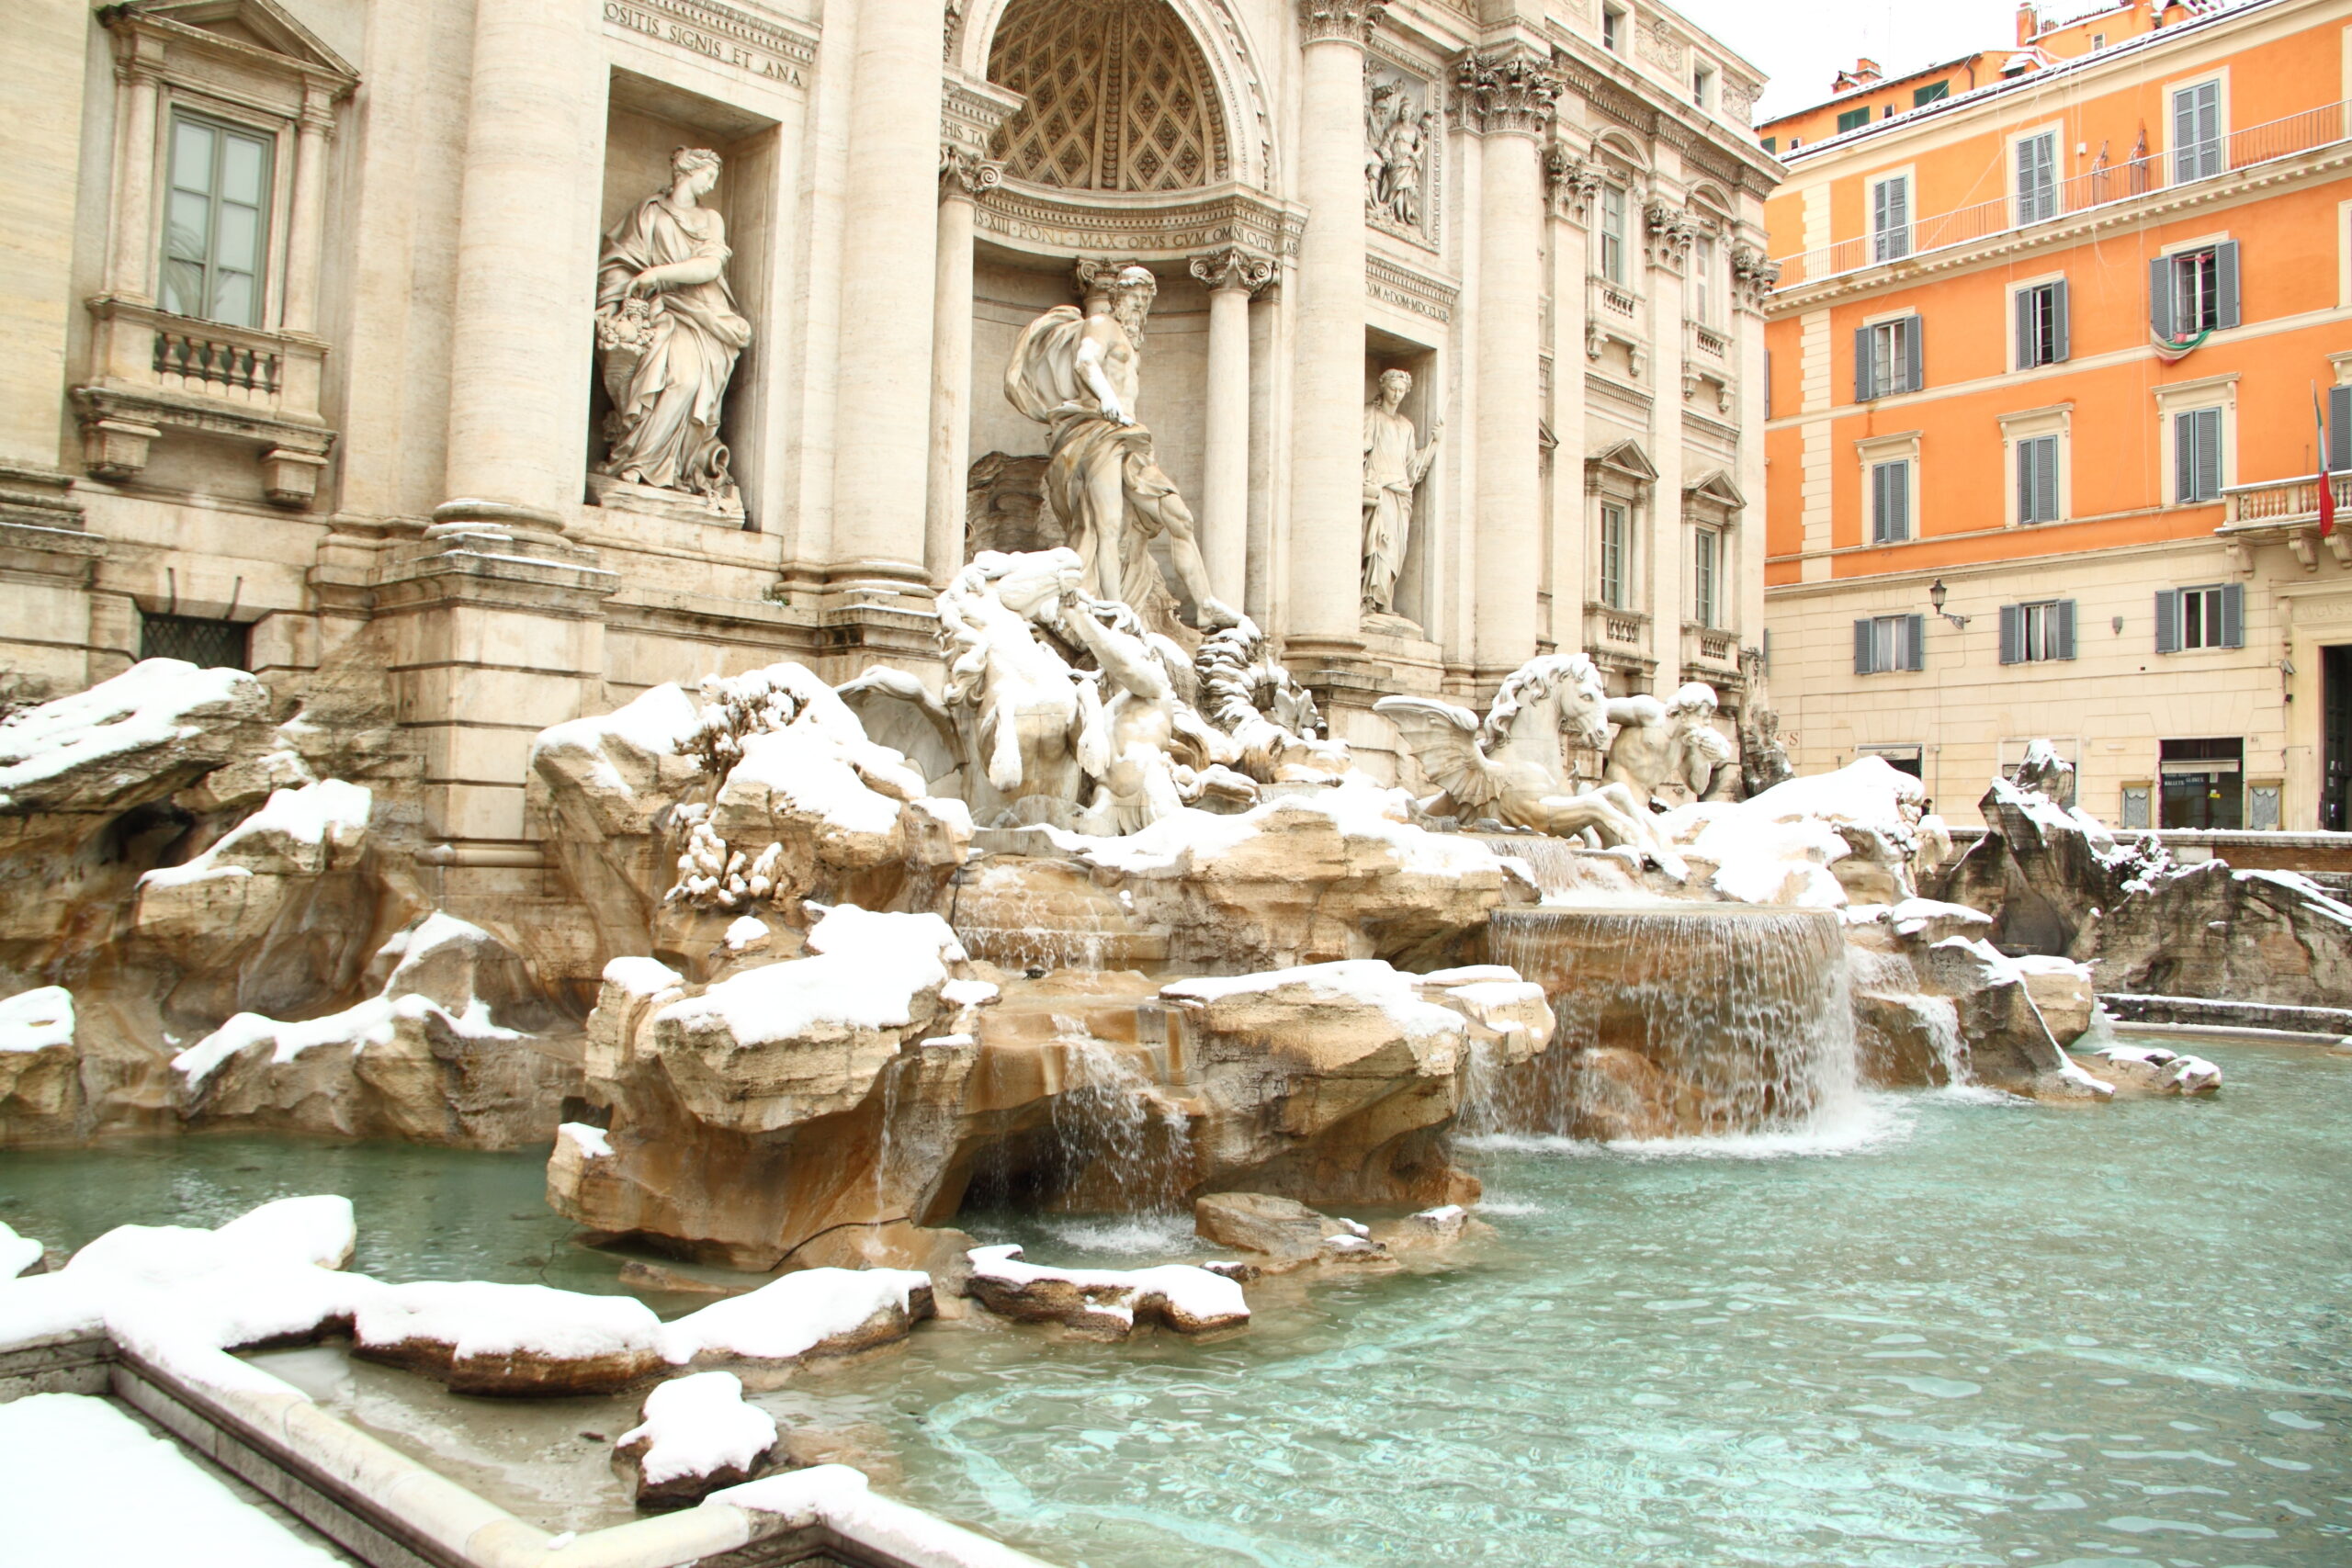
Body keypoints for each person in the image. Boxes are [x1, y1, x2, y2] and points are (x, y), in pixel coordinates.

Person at [1004, 266, 1238, 629]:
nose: (1139, 307)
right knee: (1106, 527)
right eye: (1133, 298)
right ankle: (1113, 609)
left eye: (1145, 301)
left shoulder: (1130, 341)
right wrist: (1107, 397)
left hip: (1130, 437)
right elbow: (1085, 360)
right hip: (1098, 431)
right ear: (1117, 298)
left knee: (1180, 517)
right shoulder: (1102, 323)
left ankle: (1205, 603)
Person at [593, 148, 752, 504]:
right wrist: (621, 295)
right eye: (707, 175)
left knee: (688, 381)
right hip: (659, 311)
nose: (711, 183)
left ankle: (667, 466)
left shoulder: (710, 218)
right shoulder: (648, 213)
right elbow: (619, 261)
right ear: (688, 172)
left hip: (704, 313)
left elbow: (710, 268)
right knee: (660, 380)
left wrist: (655, 273)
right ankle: (638, 463)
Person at [1361, 368, 1442, 616]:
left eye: (1401, 390)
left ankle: (1385, 600)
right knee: (1379, 546)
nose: (1396, 394)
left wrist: (1434, 443)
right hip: (1380, 488)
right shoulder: (1370, 414)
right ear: (1383, 387)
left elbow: (1412, 468)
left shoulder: (1407, 426)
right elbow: (1359, 450)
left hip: (1400, 494)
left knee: (1395, 549)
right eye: (1393, 388)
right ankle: (1372, 600)